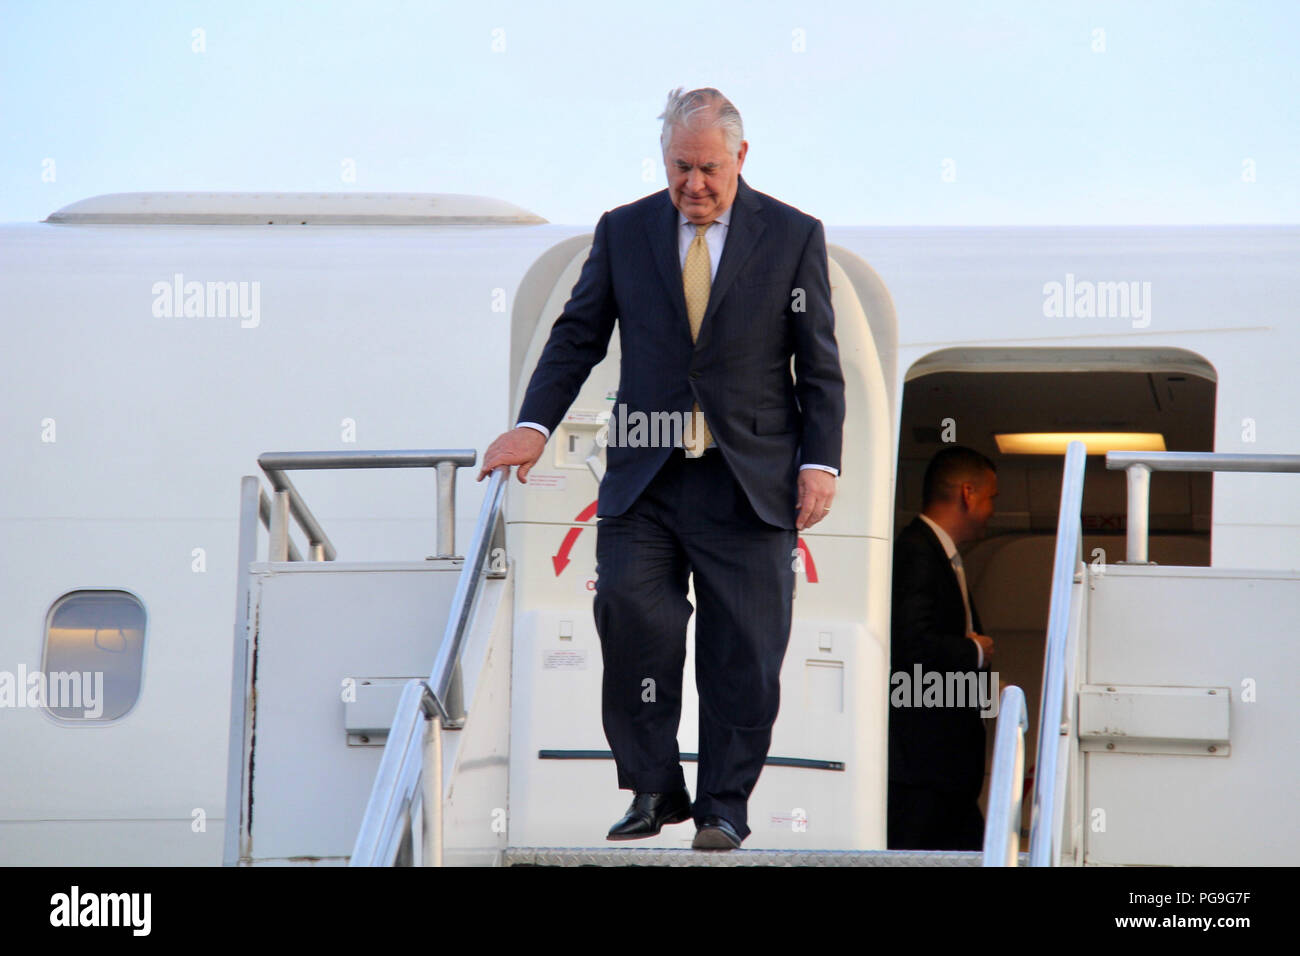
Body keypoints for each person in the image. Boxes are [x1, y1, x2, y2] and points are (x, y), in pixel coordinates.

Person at [478, 87, 845, 850]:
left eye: (709, 168)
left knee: (744, 651)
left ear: (740, 157)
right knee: (628, 609)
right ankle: (653, 786)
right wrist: (532, 425)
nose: (695, 185)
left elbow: (819, 367)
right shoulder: (624, 232)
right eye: (681, 168)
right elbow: (577, 336)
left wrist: (821, 463)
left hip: (749, 482)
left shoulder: (793, 236)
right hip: (647, 480)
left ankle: (723, 806)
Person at [887, 445, 998, 850]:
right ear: (968, 494)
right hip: (924, 768)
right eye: (990, 499)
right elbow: (910, 643)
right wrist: (976, 653)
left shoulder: (942, 556)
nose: (991, 510)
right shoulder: (918, 551)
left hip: (943, 772)